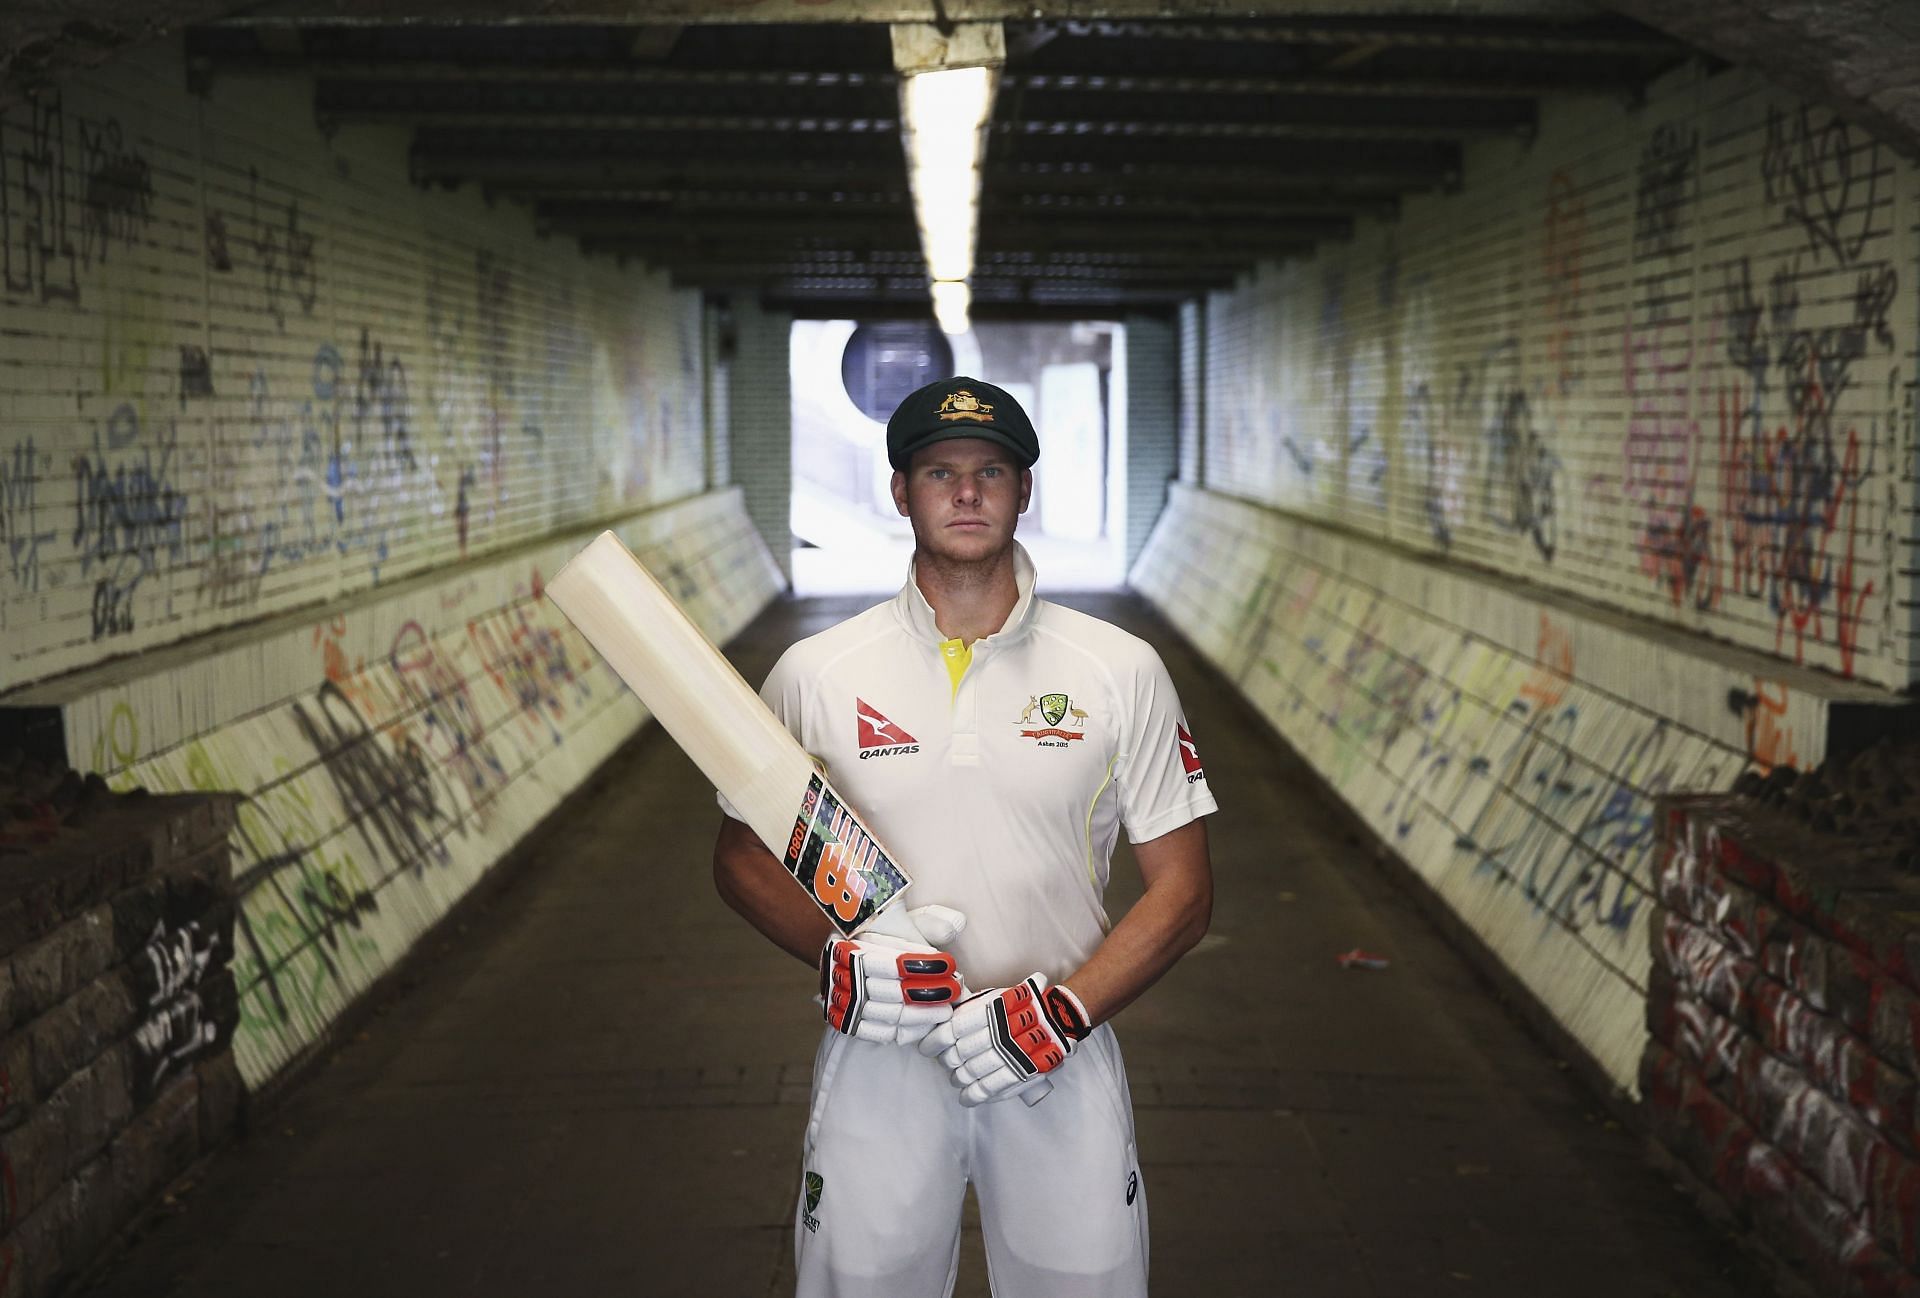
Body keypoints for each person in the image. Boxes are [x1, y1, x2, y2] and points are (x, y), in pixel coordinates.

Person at [712, 375, 1216, 1297]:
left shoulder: (1118, 669)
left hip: (1057, 1050)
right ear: (901, 492)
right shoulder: (818, 673)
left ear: (1026, 490)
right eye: (940, 472)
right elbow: (744, 856)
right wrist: (832, 956)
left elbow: (1182, 890)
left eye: (992, 470)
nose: (968, 492)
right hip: (881, 1052)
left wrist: (1063, 1013)